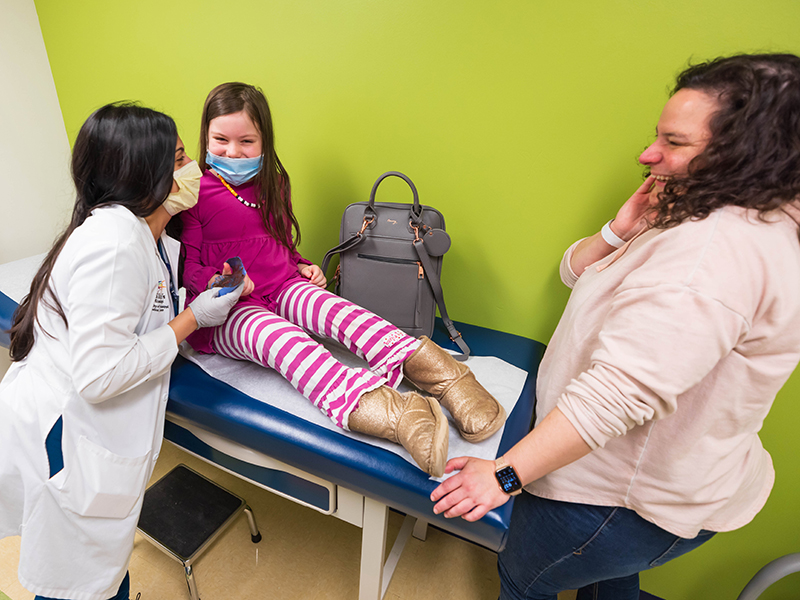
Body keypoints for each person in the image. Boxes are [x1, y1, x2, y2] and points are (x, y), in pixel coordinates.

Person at [430, 53, 800, 599]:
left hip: (612, 496)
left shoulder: (716, 254)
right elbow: (574, 272)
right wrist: (618, 231)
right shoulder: (724, 215)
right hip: (660, 483)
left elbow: (614, 397)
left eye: (674, 143)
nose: (649, 155)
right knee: (608, 581)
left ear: (749, 154)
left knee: (522, 580)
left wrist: (503, 475)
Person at [179, 82, 505, 477]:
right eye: (221, 140)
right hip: (226, 312)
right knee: (284, 341)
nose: (233, 152)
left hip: (280, 283)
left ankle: (445, 376)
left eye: (247, 141)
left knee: (340, 311)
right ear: (205, 137)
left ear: (265, 140)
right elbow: (189, 268)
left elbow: (277, 238)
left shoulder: (274, 181)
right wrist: (224, 283)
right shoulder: (194, 191)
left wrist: (301, 264)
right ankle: (396, 412)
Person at [0, 103, 242, 600]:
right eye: (178, 160)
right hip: (68, 439)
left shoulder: (148, 236)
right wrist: (191, 319)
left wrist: (189, 303)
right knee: (77, 581)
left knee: (103, 568)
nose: (192, 169)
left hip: (85, 436)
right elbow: (99, 375)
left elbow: (137, 310)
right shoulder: (113, 243)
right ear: (143, 175)